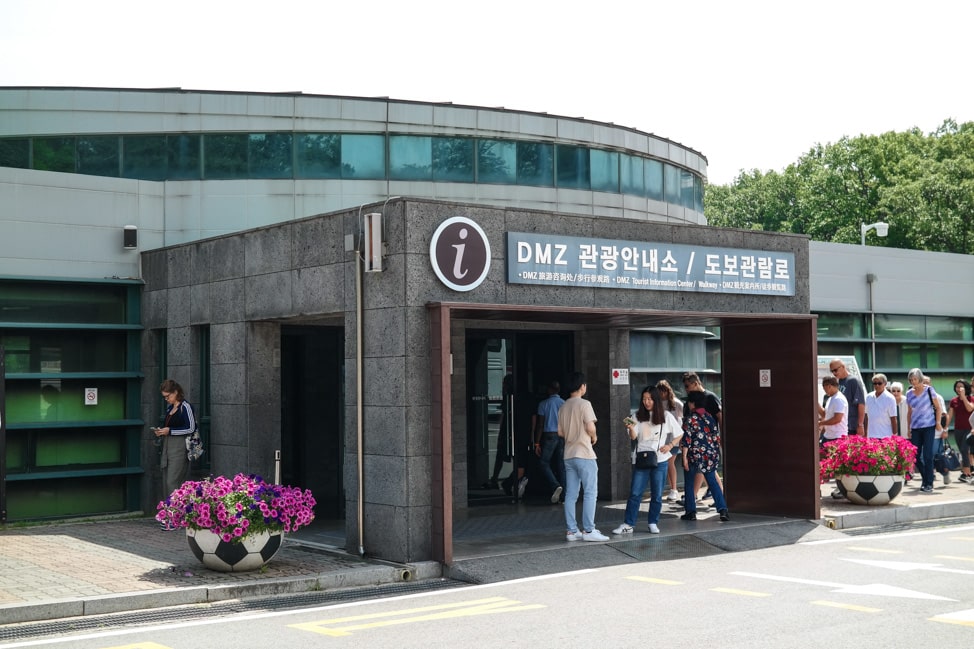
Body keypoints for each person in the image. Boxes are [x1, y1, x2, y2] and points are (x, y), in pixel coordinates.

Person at [612, 385, 682, 535]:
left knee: (657, 494)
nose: (647, 402)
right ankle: (628, 524)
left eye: (649, 399)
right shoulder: (636, 416)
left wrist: (669, 445)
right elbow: (633, 437)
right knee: (635, 493)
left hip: (661, 459)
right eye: (644, 399)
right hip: (642, 458)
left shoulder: (666, 416)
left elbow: (679, 433)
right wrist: (630, 428)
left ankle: (653, 522)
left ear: (656, 400)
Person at [558, 371, 608, 542]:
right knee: (590, 492)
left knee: (571, 494)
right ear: (582, 386)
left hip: (568, 454)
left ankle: (572, 531)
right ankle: (588, 530)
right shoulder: (585, 404)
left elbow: (560, 432)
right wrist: (593, 437)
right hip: (585, 453)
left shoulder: (563, 406)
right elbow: (591, 427)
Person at [155, 378, 197, 529]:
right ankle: (169, 516)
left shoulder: (185, 407)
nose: (167, 399)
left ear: (176, 392)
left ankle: (175, 518)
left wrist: (170, 431)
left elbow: (191, 428)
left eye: (168, 396)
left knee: (173, 481)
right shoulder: (170, 408)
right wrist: (162, 431)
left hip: (180, 447)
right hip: (168, 445)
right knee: (167, 480)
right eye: (165, 397)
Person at [680, 391, 729, 522]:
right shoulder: (710, 417)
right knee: (712, 482)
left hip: (694, 455)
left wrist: (684, 457)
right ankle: (723, 509)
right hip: (710, 455)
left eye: (689, 402)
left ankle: (690, 512)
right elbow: (716, 437)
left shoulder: (690, 419)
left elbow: (687, 439)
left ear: (693, 403)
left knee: (689, 483)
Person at [681, 371, 723, 505]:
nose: (686, 389)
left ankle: (694, 501)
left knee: (707, 471)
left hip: (708, 444)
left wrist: (719, 439)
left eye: (687, 386)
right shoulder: (689, 402)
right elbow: (686, 424)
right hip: (694, 444)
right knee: (708, 472)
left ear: (695, 383)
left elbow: (720, 418)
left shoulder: (710, 397)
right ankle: (719, 501)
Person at [905, 368, 945, 493]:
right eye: (911, 380)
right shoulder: (909, 393)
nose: (913, 382)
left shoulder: (929, 390)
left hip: (929, 426)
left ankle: (929, 483)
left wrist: (938, 423)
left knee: (927, 455)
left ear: (920, 379)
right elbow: (910, 412)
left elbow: (938, 408)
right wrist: (909, 428)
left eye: (915, 379)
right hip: (916, 428)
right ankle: (925, 478)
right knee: (915, 455)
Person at [533, 380, 566, 503]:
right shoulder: (564, 403)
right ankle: (564, 497)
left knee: (543, 463)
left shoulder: (543, 404)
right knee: (562, 465)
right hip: (562, 435)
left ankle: (555, 484)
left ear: (549, 390)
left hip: (549, 435)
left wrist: (536, 442)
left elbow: (540, 424)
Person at [818, 375, 848, 499]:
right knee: (820, 462)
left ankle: (842, 489)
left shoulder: (839, 399)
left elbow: (837, 419)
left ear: (829, 386)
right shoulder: (831, 398)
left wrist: (820, 423)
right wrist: (817, 405)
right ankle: (817, 489)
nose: (824, 390)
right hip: (828, 436)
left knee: (838, 465)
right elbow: (826, 414)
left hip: (837, 437)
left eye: (825, 388)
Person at [656, 380, 684, 502]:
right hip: (661, 439)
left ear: (667, 391)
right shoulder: (657, 404)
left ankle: (673, 489)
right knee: (665, 464)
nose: (661, 394)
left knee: (668, 462)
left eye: (662, 392)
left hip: (674, 439)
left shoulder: (676, 403)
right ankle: (669, 489)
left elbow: (682, 422)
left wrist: (682, 440)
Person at [946, 380, 974, 483]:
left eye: (961, 387)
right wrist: (946, 428)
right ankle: (966, 472)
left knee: (964, 449)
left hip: (969, 429)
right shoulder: (954, 401)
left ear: (966, 388)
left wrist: (964, 398)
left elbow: (969, 409)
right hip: (958, 429)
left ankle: (967, 472)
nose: (959, 389)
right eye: (957, 387)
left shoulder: (971, 399)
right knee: (962, 450)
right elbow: (950, 415)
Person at [829, 359, 865, 436]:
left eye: (835, 370)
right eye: (832, 371)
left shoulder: (853, 381)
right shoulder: (837, 382)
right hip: (840, 426)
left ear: (843, 367)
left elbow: (861, 404)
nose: (834, 373)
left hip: (851, 425)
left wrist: (860, 425)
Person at [863, 373, 897, 438]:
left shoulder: (890, 398)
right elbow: (866, 416)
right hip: (871, 435)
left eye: (879, 383)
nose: (877, 385)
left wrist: (894, 435)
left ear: (885, 384)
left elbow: (893, 418)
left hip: (885, 435)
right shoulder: (868, 397)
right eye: (875, 383)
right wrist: (865, 433)